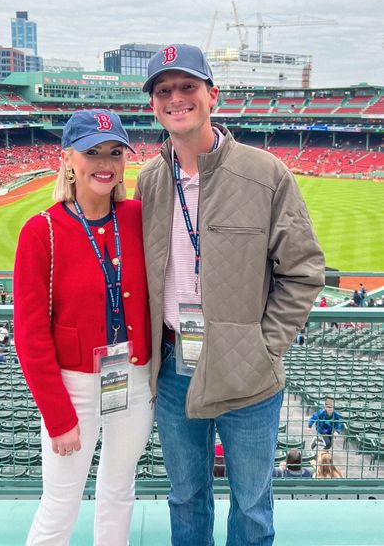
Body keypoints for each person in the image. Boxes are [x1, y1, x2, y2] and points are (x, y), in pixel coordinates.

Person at [134, 44, 325, 546]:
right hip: (175, 368)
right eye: (164, 90)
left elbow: (303, 272)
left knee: (253, 508)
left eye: (187, 87)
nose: (176, 98)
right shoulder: (151, 180)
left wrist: (261, 347)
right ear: (154, 104)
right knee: (186, 499)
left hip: (249, 376)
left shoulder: (265, 174)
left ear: (211, 95)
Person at [14, 109, 153, 546]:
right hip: (73, 385)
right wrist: (58, 417)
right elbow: (31, 336)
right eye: (92, 152)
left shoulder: (137, 217)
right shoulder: (41, 231)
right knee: (61, 502)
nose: (105, 163)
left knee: (119, 491)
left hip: (131, 377)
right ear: (68, 159)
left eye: (115, 151)